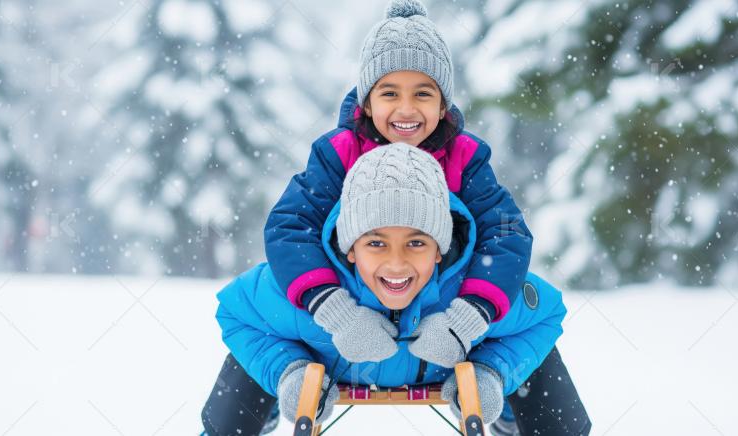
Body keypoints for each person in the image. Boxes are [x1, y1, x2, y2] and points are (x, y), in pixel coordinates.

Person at [202, 144, 591, 435]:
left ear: (440, 250)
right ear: (350, 248)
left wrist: (492, 372)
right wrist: (288, 371)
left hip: (453, 363)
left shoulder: (464, 288)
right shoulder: (318, 292)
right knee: (247, 361)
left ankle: (512, 415)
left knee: (540, 361)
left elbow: (546, 313)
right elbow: (236, 312)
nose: (396, 263)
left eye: (417, 243)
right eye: (376, 243)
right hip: (331, 365)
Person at [264, 0, 532, 370]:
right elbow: (290, 226)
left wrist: (468, 315)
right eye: (389, 93)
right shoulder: (340, 153)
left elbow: (506, 232)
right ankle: (255, 402)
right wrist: (334, 308)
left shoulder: (463, 157)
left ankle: (508, 391)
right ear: (368, 103)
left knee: (530, 303)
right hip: (356, 305)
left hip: (442, 310)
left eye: (423, 93)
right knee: (261, 299)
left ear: (442, 106)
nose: (406, 109)